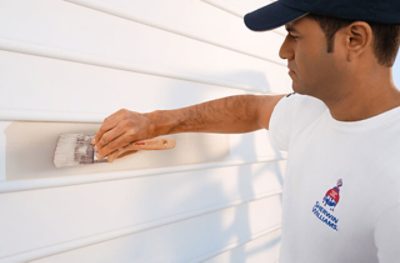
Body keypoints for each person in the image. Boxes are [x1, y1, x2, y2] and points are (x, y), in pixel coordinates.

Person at [93, 0, 400, 262]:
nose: (283, 51)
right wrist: (156, 121)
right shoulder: (312, 109)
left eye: (294, 35)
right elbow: (251, 110)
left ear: (355, 39)